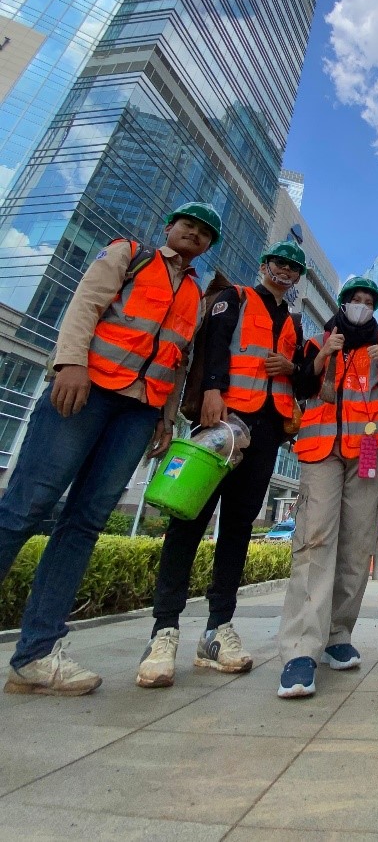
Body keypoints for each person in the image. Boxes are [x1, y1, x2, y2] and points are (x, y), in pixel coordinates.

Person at [0, 202, 219, 696]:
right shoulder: (130, 254)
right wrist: (69, 364)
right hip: (85, 392)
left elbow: (178, 360)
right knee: (25, 508)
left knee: (84, 524)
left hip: (139, 413)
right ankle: (35, 651)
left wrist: (164, 420)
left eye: (205, 234)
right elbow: (85, 304)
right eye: (188, 225)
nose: (194, 235)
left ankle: (35, 654)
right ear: (170, 228)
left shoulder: (195, 295)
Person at [136, 239, 306, 688]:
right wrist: (212, 391)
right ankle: (164, 631)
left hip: (267, 430)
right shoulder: (235, 297)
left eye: (293, 268)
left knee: (237, 526)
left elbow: (302, 376)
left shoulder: (293, 320)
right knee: (188, 518)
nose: (284, 271)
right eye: (279, 264)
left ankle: (217, 629)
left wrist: (290, 366)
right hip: (223, 420)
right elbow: (212, 346)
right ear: (264, 264)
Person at [277, 276, 378, 698]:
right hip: (322, 449)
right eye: (355, 299)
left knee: (357, 543)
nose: (361, 305)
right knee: (315, 539)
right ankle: (300, 651)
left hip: (367, 449)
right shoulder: (317, 342)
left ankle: (338, 635)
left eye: (368, 301)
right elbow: (303, 386)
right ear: (342, 304)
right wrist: (323, 354)